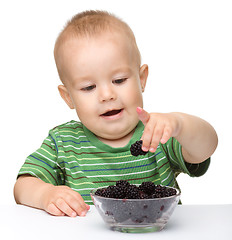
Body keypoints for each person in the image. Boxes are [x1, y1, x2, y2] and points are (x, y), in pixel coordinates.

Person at [14, 10, 218, 218]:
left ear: (142, 79)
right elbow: (22, 187)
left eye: (119, 80)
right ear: (68, 98)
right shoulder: (64, 143)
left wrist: (180, 124)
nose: (106, 95)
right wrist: (45, 194)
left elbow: (206, 148)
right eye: (88, 87)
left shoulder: (158, 133)